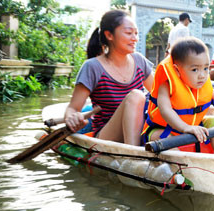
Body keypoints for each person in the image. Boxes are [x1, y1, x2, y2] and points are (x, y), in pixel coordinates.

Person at [141, 37, 214, 154]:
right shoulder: (167, 86)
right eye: (194, 70)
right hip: (164, 128)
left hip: (194, 124)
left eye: (206, 68)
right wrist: (185, 127)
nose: (202, 75)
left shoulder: (203, 86)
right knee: (165, 139)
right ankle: (181, 170)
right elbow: (165, 110)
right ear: (177, 70)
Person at [64, 10, 154, 145]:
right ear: (109, 35)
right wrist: (72, 117)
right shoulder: (93, 67)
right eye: (129, 33)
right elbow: (72, 108)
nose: (135, 38)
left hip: (140, 128)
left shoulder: (139, 61)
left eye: (136, 33)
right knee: (137, 95)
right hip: (107, 135)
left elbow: (159, 93)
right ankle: (132, 152)